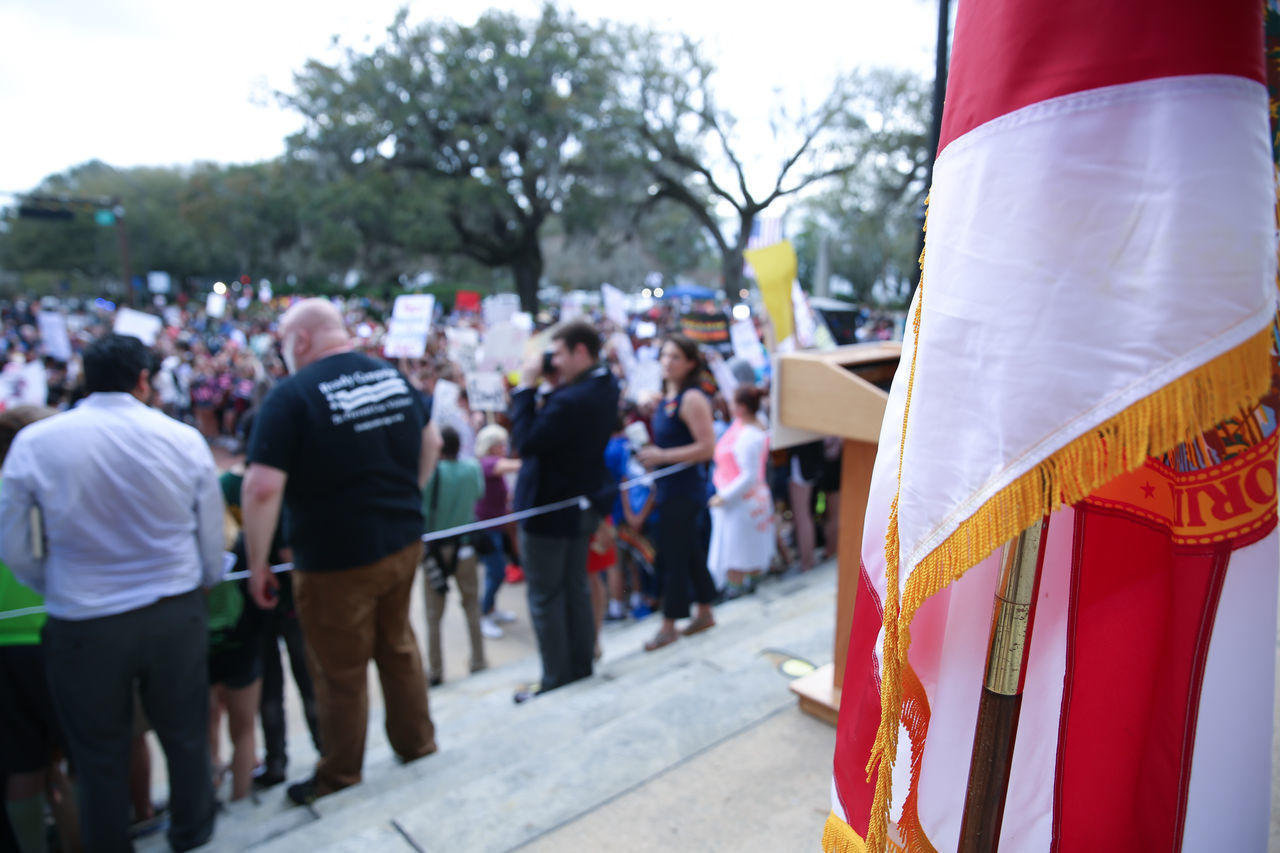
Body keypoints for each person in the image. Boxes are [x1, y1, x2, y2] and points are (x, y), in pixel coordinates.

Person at [0, 333, 224, 852]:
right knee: (185, 735)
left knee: (97, 752)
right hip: (173, 608)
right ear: (144, 380)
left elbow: (13, 543)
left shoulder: (38, 442)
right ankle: (193, 835)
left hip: (84, 619)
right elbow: (209, 532)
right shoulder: (180, 437)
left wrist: (53, 584)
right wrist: (203, 581)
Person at [241, 299, 441, 806]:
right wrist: (407, 495)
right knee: (398, 646)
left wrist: (258, 562)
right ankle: (418, 744)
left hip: (335, 558)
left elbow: (262, 487)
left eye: (283, 340)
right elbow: (432, 441)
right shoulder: (392, 377)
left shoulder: (290, 398)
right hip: (402, 539)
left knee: (339, 669)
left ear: (300, 341)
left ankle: (340, 775)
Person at [508, 320, 620, 702]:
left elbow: (526, 441)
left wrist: (526, 387)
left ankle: (556, 678)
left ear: (580, 352)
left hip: (547, 509)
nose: (552, 361)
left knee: (545, 596)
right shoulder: (604, 385)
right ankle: (580, 667)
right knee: (574, 587)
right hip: (578, 504)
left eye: (558, 354)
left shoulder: (571, 400)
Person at [0, 405, 78, 853]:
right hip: (50, 635)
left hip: (10, 644)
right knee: (77, 757)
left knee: (22, 767)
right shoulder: (42, 494)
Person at [637, 333, 717, 651]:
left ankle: (669, 624)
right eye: (664, 356)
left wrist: (661, 456)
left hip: (684, 489)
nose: (667, 362)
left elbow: (707, 447)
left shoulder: (692, 399)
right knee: (688, 550)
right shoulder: (667, 397)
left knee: (673, 555)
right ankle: (706, 609)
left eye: (675, 357)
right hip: (670, 487)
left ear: (690, 364)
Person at [422, 425, 488, 686]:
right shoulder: (472, 468)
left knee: (433, 616)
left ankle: (436, 671)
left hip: (437, 549)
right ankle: (478, 660)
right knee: (472, 606)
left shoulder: (431, 474)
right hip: (465, 547)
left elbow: (423, 509)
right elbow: (479, 495)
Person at [708, 387, 775, 597]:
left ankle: (737, 586)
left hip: (742, 500)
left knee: (737, 548)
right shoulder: (749, 425)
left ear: (742, 407)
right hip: (743, 498)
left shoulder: (748, 436)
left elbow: (749, 476)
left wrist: (723, 496)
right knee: (741, 545)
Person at [474, 424, 521, 639]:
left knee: (497, 570)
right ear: (491, 446)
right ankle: (483, 614)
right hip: (487, 529)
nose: (504, 447)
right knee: (496, 571)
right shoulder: (487, 463)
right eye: (500, 444)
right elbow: (513, 466)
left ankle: (490, 609)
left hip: (496, 526)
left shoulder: (491, 464)